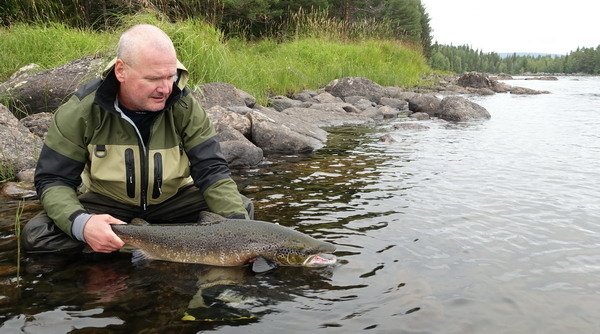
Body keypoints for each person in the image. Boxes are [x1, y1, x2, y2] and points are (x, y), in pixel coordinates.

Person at [22, 24, 253, 254]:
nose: (165, 89)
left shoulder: (185, 107)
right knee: (38, 234)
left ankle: (142, 246)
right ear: (121, 71)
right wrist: (84, 225)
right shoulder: (80, 112)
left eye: (170, 76)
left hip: (173, 203)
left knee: (240, 210)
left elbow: (212, 171)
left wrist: (242, 233)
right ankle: (157, 246)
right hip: (109, 204)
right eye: (153, 79)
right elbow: (53, 180)